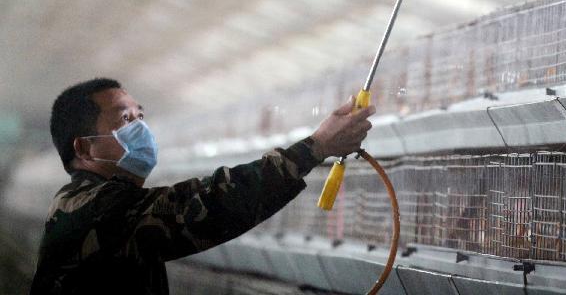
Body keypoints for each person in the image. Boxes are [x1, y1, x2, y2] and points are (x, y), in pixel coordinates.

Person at [30, 77, 374, 295]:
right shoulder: (92, 209)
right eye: (124, 119)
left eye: (140, 116)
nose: (140, 128)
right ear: (85, 148)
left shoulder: (96, 201)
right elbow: (204, 206)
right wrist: (315, 148)